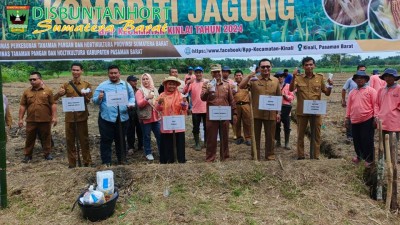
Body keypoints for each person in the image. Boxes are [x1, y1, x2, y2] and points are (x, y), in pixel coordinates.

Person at [289, 56, 333, 160]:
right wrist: (293, 77)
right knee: (300, 135)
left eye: (310, 64)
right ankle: (301, 156)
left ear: (314, 65)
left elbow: (326, 93)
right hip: (302, 111)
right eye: (306, 65)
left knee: (316, 135)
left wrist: (330, 86)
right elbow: (291, 89)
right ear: (303, 66)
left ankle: (315, 156)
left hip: (316, 110)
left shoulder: (319, 77)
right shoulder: (298, 78)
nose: (309, 66)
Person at [92, 65, 135, 166]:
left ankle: (122, 159)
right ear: (108, 74)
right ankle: (106, 161)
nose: (113, 75)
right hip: (106, 118)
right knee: (106, 140)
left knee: (121, 139)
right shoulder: (102, 86)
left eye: (115, 73)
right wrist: (99, 98)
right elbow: (94, 101)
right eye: (111, 73)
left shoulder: (126, 85)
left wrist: (131, 104)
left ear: (119, 73)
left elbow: (132, 98)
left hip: (123, 118)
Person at [239, 59, 281, 160]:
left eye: (267, 66)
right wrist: (249, 76)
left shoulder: (275, 80)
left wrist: (278, 112)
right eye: (263, 67)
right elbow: (241, 86)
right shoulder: (254, 79)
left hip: (271, 113)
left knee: (270, 137)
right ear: (259, 68)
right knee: (255, 136)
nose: (265, 69)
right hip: (256, 114)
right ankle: (255, 156)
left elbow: (279, 96)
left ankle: (270, 155)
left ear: (271, 67)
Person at [54, 62, 93, 168]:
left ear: (81, 71)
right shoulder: (66, 85)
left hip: (82, 117)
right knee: (70, 141)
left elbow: (89, 101)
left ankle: (87, 162)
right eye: (73, 70)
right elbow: (54, 99)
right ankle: (72, 163)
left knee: (84, 140)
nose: (75, 72)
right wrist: (59, 94)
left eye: (77, 70)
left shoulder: (87, 85)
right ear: (71, 71)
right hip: (69, 117)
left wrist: (85, 96)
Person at [201, 64, 236, 162]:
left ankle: (224, 157)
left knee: (224, 138)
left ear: (221, 72)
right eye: (214, 72)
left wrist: (235, 113)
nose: (216, 73)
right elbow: (202, 98)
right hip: (212, 116)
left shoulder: (227, 85)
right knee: (211, 139)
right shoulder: (206, 84)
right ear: (211, 73)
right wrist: (208, 90)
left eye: (218, 71)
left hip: (224, 115)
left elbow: (231, 100)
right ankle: (210, 158)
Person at [19, 72, 57, 163]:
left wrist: (54, 117)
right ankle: (27, 155)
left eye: (34, 79)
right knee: (29, 138)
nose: (32, 81)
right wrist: (20, 119)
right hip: (31, 120)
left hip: (45, 119)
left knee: (46, 137)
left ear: (40, 79)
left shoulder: (48, 90)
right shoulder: (27, 92)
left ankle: (47, 154)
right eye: (30, 80)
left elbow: (53, 104)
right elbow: (23, 105)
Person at [376, 68, 400, 209]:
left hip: (394, 124)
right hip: (382, 123)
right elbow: (377, 104)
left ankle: (393, 171)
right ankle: (382, 174)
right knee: (382, 152)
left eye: (391, 76)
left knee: (392, 149)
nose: (388, 78)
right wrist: (378, 115)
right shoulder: (381, 90)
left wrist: (394, 110)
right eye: (386, 76)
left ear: (395, 78)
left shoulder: (398, 89)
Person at [345, 71, 377, 166]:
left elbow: (375, 105)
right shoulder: (352, 92)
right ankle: (359, 156)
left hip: (367, 118)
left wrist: (375, 117)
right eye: (357, 78)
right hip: (354, 120)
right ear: (354, 80)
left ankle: (369, 159)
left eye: (362, 78)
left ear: (366, 80)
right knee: (357, 140)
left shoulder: (371, 91)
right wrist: (347, 118)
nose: (359, 79)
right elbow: (349, 106)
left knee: (367, 140)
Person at [156, 76, 188, 163]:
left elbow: (184, 108)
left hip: (178, 124)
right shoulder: (161, 95)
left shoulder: (181, 95)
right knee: (167, 142)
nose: (172, 86)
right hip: (166, 124)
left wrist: (184, 103)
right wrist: (159, 103)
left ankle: (180, 159)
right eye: (170, 84)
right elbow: (157, 108)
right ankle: (167, 160)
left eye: (174, 84)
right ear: (166, 85)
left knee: (179, 142)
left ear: (176, 86)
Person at [136, 73, 161, 161]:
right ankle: (148, 152)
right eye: (143, 79)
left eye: (147, 79)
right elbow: (139, 104)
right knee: (146, 136)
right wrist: (146, 98)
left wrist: (160, 103)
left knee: (159, 135)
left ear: (150, 79)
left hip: (155, 117)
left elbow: (157, 102)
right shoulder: (140, 91)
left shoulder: (155, 89)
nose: (145, 81)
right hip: (146, 118)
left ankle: (162, 151)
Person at [183, 66, 208, 151]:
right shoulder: (192, 83)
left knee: (206, 127)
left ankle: (206, 142)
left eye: (200, 72)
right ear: (195, 73)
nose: (198, 74)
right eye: (196, 72)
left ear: (202, 73)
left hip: (206, 109)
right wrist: (188, 83)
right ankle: (197, 143)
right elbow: (184, 92)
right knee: (196, 127)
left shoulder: (206, 82)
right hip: (195, 109)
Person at [274, 71, 295, 150]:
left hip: (286, 109)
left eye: (282, 76)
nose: (280, 78)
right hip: (276, 109)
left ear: (284, 77)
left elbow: (292, 97)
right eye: (278, 76)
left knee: (287, 127)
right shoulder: (274, 86)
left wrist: (285, 96)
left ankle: (287, 143)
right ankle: (278, 141)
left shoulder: (289, 86)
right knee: (276, 126)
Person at [233, 70, 252, 146]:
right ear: (234, 77)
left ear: (242, 76)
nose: (238, 76)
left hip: (246, 105)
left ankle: (248, 138)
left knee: (247, 122)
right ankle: (239, 137)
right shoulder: (232, 85)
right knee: (237, 122)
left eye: (239, 75)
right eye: (236, 75)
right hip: (236, 105)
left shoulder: (247, 84)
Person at [126, 75, 143, 154]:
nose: (135, 82)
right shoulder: (125, 91)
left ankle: (141, 145)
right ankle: (131, 147)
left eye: (136, 80)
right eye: (133, 81)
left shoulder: (139, 91)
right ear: (128, 82)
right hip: (129, 113)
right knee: (130, 130)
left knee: (140, 130)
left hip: (138, 113)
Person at [341, 67, 359, 143]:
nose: (362, 71)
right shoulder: (350, 80)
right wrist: (343, 100)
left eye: (364, 70)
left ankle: (357, 136)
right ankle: (350, 136)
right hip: (351, 103)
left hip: (362, 105)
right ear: (357, 70)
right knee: (350, 119)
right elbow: (344, 89)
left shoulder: (367, 81)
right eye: (361, 70)